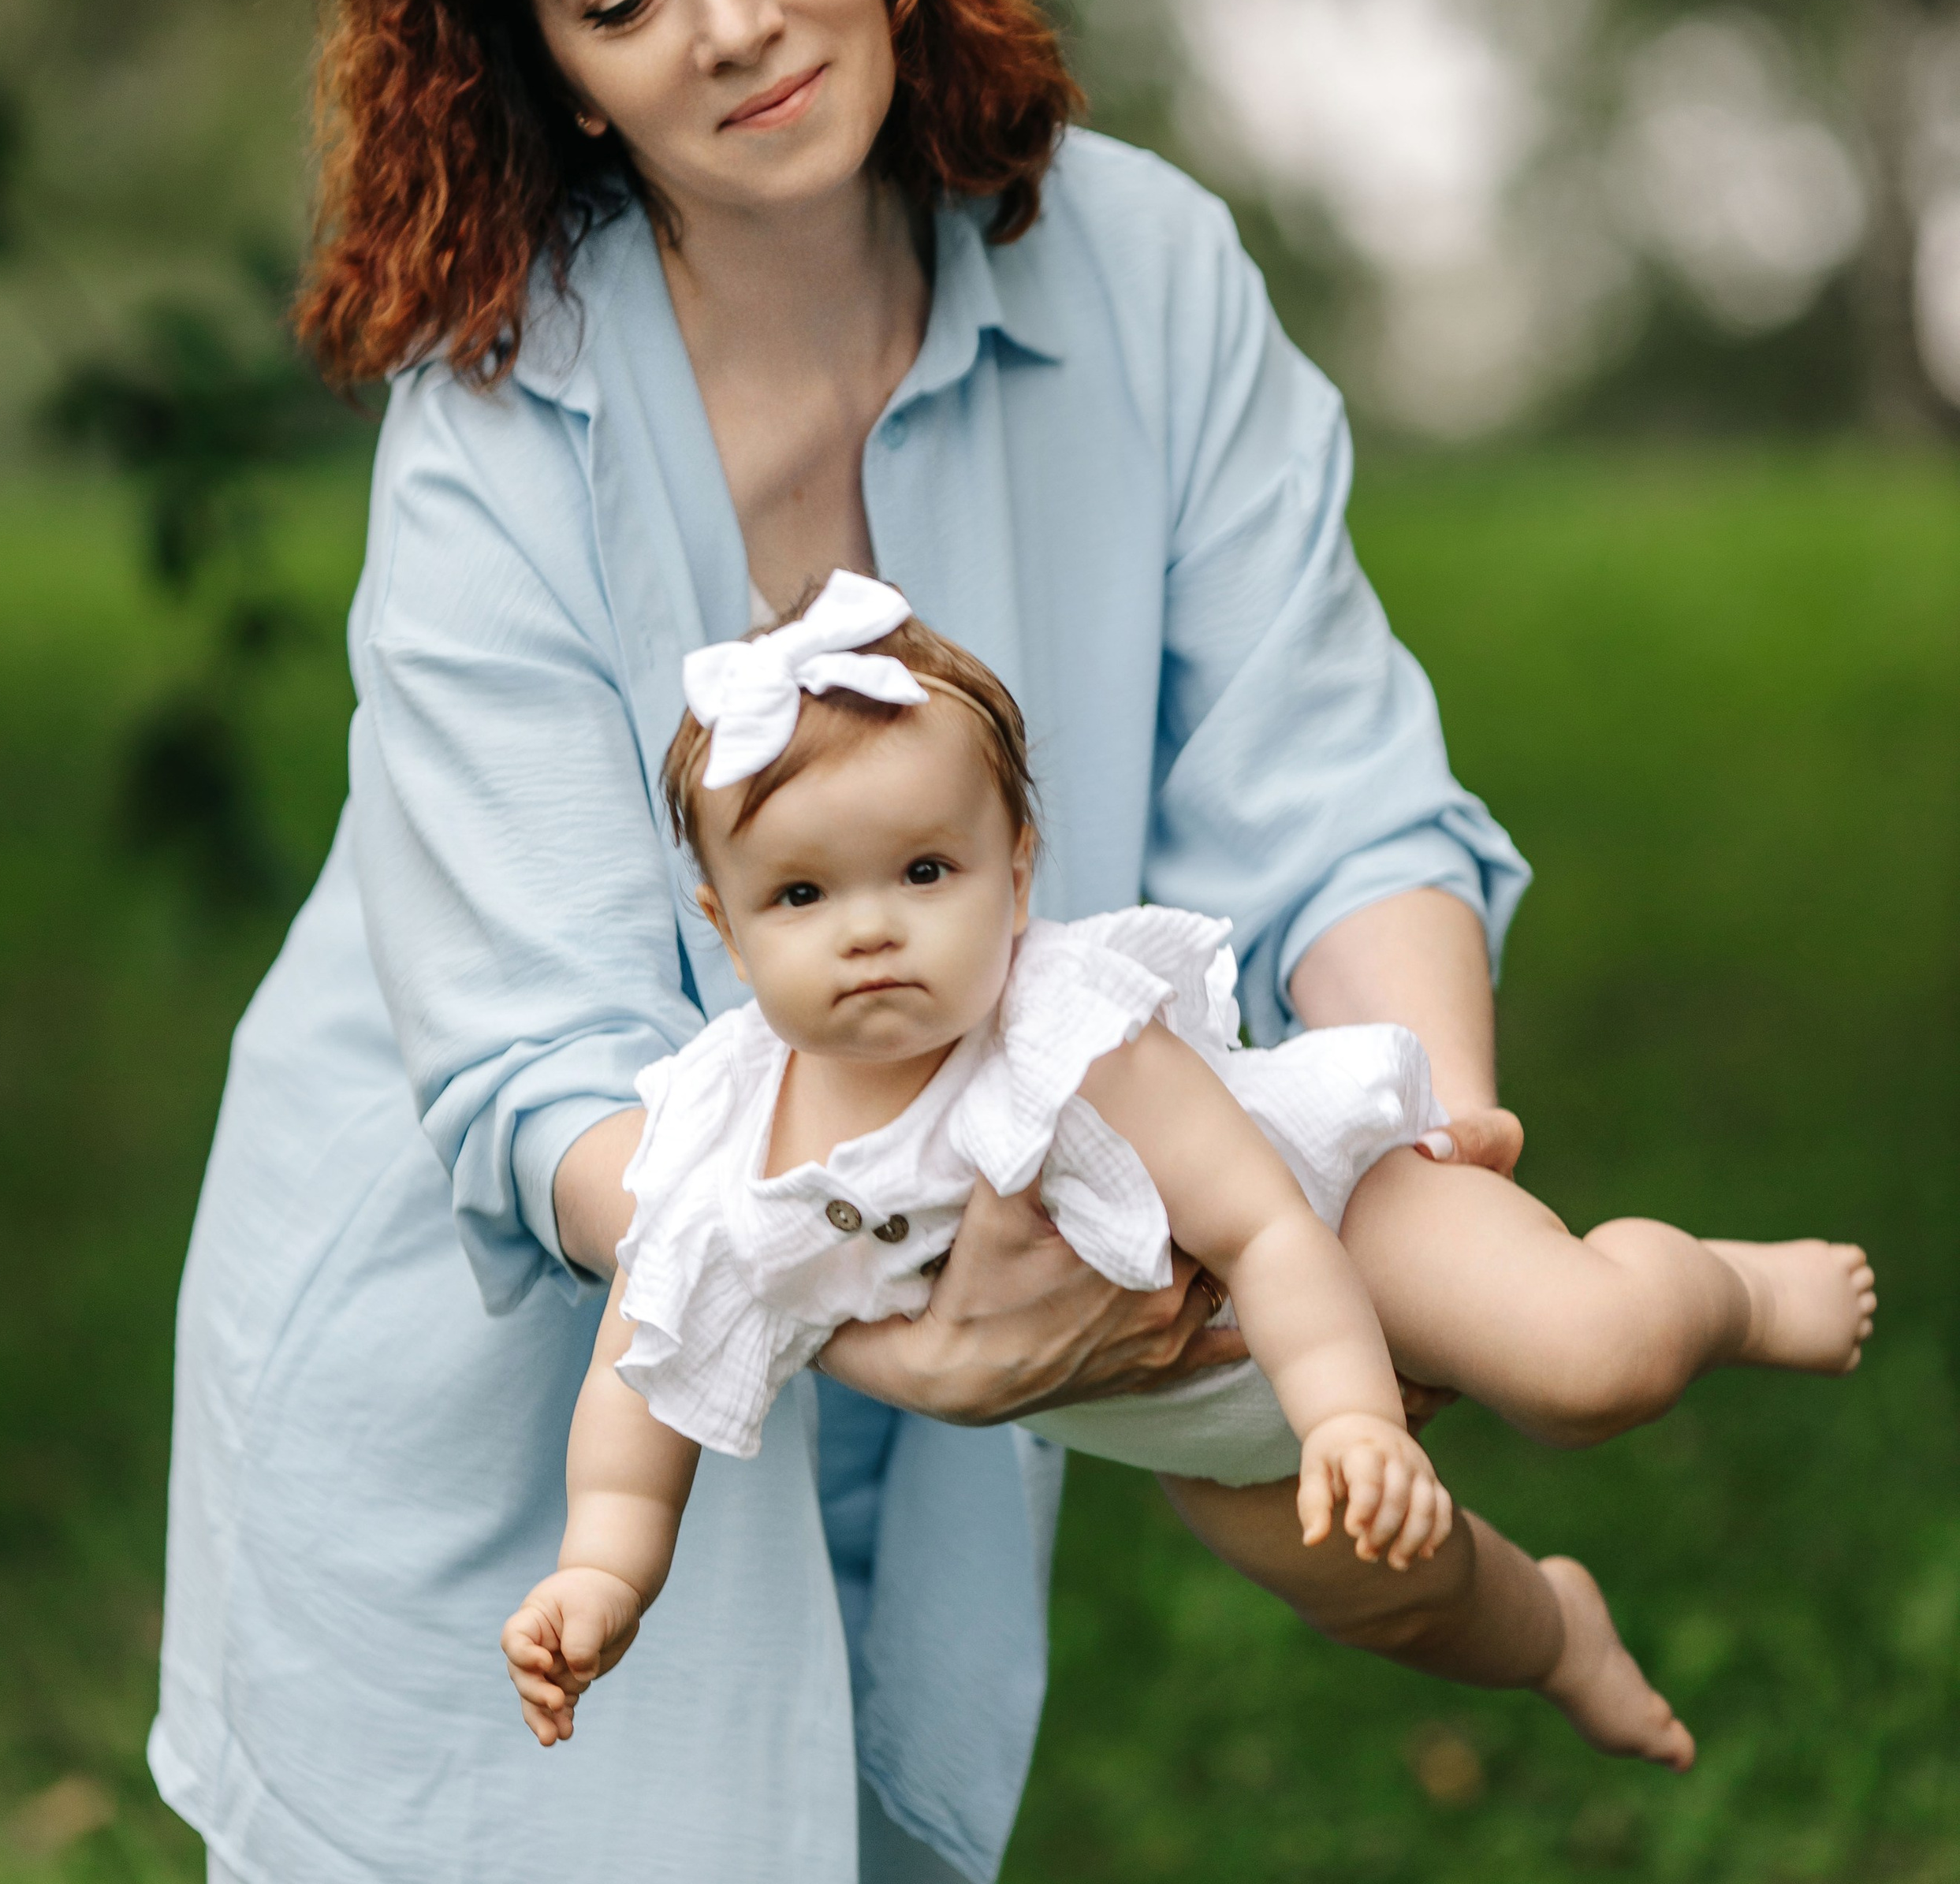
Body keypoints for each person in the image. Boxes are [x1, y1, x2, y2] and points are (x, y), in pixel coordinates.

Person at [159, 0, 1558, 1884]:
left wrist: (1425, 1148)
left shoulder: (1144, 269)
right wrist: (860, 1292)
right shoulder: (502, 408)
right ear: (557, 75)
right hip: (527, 1319)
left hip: (973, 1198)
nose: (725, 23)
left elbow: (1331, 788)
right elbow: (531, 1054)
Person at [499, 582, 1872, 1772]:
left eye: (924, 870)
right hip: (1172, 1407)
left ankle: (1735, 1294)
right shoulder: (720, 1145)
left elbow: (1265, 1227)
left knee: (1591, 1356)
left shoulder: (1065, 1028)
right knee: (1402, 1593)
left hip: (1344, 1228)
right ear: (726, 933)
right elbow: (646, 1364)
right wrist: (601, 1569)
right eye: (802, 895)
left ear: (1016, 875)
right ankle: (1560, 1631)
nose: (870, 930)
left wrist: (1346, 1410)